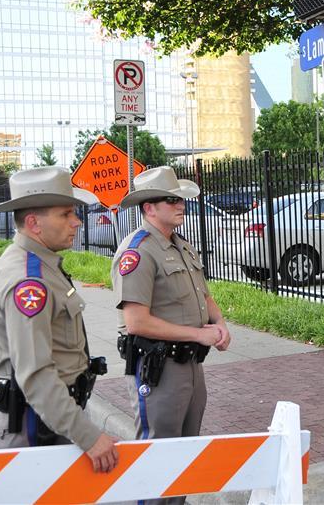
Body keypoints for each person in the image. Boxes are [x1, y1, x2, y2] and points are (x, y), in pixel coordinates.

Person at [0, 166, 118, 473]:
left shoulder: (40, 265)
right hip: (37, 428)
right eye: (66, 214)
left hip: (51, 420)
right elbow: (36, 375)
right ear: (34, 223)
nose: (77, 222)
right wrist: (89, 436)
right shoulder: (29, 281)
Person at [112, 167, 230, 504]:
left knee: (184, 457)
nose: (180, 204)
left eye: (180, 198)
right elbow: (136, 322)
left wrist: (219, 324)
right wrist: (198, 334)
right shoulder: (137, 252)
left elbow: (203, 296)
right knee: (157, 458)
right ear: (149, 207)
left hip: (191, 365)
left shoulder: (181, 246)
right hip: (160, 369)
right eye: (171, 199)